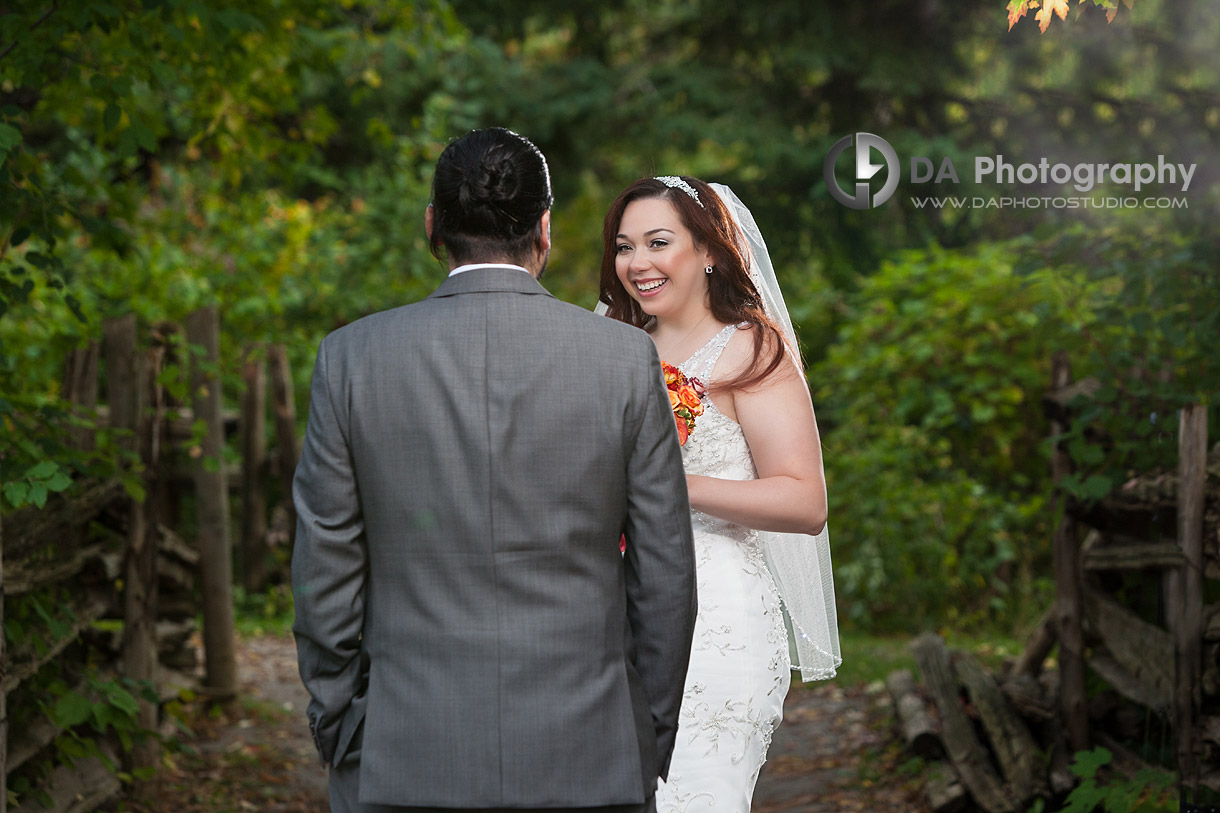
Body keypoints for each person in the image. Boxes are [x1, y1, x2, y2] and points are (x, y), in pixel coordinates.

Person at [292, 128, 698, 813]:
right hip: (591, 756)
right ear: (545, 227)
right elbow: (665, 575)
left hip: (403, 756)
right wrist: (643, 733)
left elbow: (323, 570)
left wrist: (339, 727)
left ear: (433, 225)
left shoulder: (351, 359)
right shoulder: (626, 360)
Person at [598, 176, 841, 813]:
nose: (637, 263)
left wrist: (671, 484)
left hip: (719, 620)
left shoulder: (749, 348)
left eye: (657, 242)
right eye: (624, 247)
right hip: (613, 619)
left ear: (708, 249)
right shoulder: (614, 354)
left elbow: (804, 501)